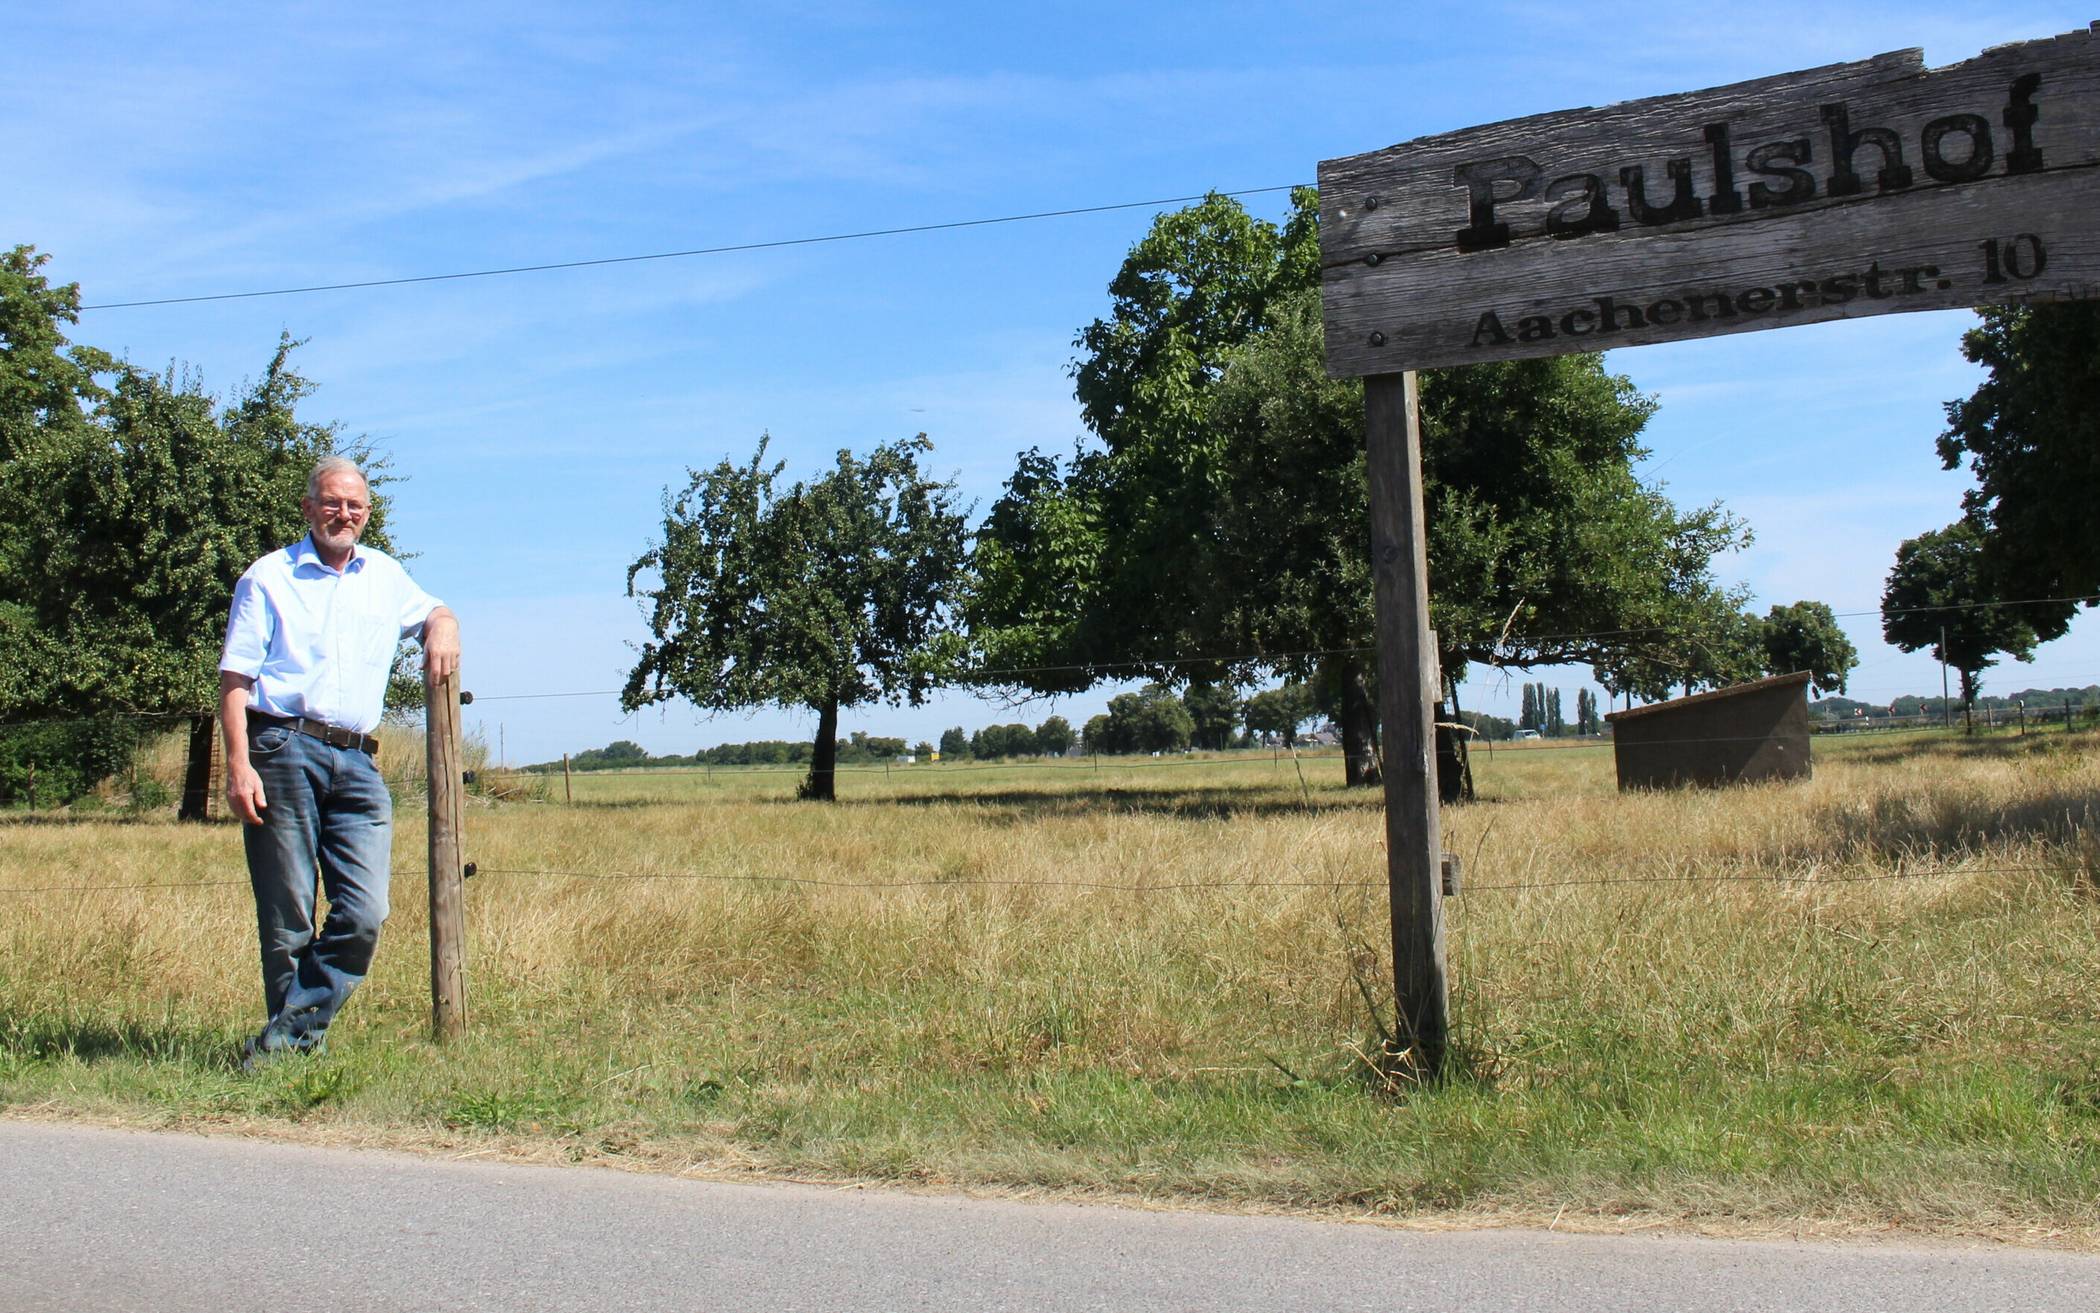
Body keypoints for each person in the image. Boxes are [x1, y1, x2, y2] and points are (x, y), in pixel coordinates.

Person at [218, 456, 458, 1063]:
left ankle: (280, 1044)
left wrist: (444, 625)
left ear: (367, 513)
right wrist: (238, 765)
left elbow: (432, 609)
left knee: (365, 910)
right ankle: (290, 1057)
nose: (342, 514)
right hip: (282, 746)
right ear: (308, 508)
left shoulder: (385, 575)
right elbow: (235, 681)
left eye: (354, 506)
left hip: (358, 761)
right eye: (331, 502)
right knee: (289, 914)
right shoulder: (268, 577)